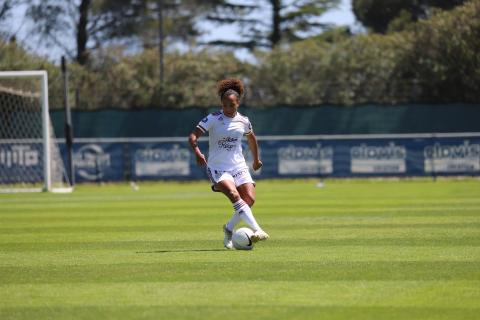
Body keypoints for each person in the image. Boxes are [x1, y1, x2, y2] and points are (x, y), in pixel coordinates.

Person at [188, 78, 269, 249]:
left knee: (250, 199)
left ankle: (229, 228)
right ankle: (257, 229)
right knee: (234, 195)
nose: (227, 108)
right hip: (218, 167)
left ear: (237, 103)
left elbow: (252, 139)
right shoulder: (213, 118)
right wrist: (197, 152)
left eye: (231, 105)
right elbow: (193, 136)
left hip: (238, 166)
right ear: (221, 104)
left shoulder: (244, 120)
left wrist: (256, 160)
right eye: (224, 105)